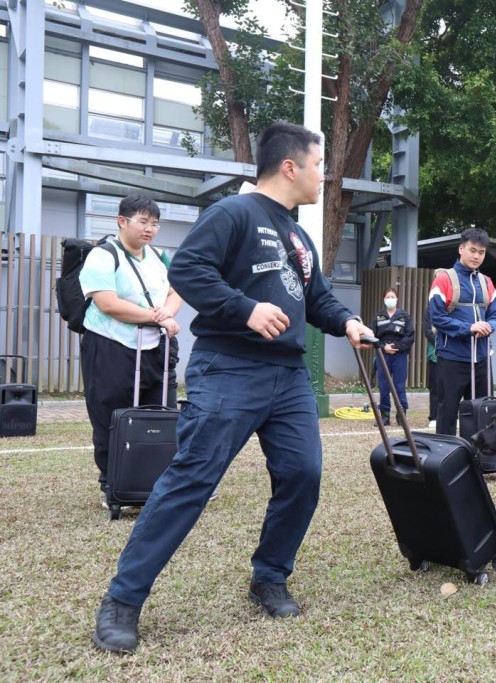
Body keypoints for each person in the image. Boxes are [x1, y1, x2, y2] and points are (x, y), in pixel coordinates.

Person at [91, 122, 375, 654]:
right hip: (230, 368)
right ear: (290, 166)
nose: (325, 176)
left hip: (287, 378)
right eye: (320, 165)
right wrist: (245, 309)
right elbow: (191, 272)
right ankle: (123, 601)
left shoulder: (298, 234)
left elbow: (316, 298)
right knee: (191, 479)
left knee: (303, 473)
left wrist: (349, 324)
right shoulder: (232, 214)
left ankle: (269, 576)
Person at [79, 194, 182, 506]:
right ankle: (113, 486)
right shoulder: (103, 255)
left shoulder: (158, 256)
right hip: (111, 345)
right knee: (111, 415)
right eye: (143, 221)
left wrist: (165, 315)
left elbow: (178, 290)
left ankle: (157, 484)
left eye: (155, 223)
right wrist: (157, 317)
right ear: (122, 221)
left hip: (154, 347)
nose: (149, 229)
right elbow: (108, 303)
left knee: (160, 414)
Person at [428, 228, 496, 436]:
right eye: (472, 250)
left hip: (482, 359)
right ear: (461, 249)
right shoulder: (443, 280)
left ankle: (478, 459)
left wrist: (489, 326)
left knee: (482, 413)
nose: (477, 256)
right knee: (447, 412)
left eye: (482, 252)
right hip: (452, 359)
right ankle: (446, 460)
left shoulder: (487, 282)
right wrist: (469, 328)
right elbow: (437, 318)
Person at [373, 288, 415, 425]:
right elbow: (371, 336)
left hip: (399, 355)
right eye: (388, 297)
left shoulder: (404, 316)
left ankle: (401, 415)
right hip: (383, 354)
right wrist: (383, 347)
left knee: (399, 386)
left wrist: (396, 347)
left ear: (397, 299)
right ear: (384, 299)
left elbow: (410, 336)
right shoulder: (378, 316)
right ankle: (384, 416)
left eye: (392, 296)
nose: (390, 299)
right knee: (383, 385)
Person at [422, 271, 444, 429]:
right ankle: (434, 416)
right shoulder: (429, 309)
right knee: (435, 386)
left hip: (452, 354)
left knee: (450, 388)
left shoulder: (452, 306)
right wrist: (440, 342)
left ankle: (450, 415)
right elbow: (428, 330)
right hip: (435, 353)